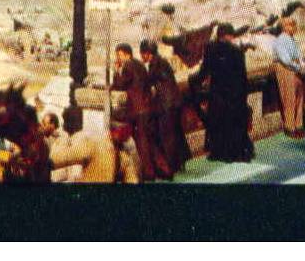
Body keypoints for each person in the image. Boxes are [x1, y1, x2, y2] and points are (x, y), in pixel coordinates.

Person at [193, 24, 253, 163]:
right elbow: (243, 77)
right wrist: (244, 96)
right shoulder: (237, 52)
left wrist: (194, 80)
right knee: (234, 124)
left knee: (218, 124)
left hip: (217, 93)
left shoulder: (210, 49)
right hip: (235, 94)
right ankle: (236, 154)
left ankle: (218, 152)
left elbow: (204, 71)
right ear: (229, 36)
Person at [108, 42, 156, 182]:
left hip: (136, 109)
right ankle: (150, 171)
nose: (118, 58)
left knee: (139, 141)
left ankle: (146, 173)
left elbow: (120, 84)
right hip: (146, 107)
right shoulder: (140, 64)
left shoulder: (128, 65)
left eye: (119, 55)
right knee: (146, 140)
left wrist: (116, 71)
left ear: (126, 54)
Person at [141, 40, 187, 175]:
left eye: (143, 53)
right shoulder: (161, 61)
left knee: (167, 135)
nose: (142, 56)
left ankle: (171, 166)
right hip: (174, 102)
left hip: (166, 104)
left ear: (148, 53)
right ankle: (180, 163)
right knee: (176, 134)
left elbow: (148, 80)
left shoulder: (156, 64)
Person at [271, 14, 305, 138]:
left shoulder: (292, 39)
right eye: (291, 25)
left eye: (294, 24)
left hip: (295, 68)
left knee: (299, 97)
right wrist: (299, 67)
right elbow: (285, 60)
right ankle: (290, 127)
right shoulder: (280, 40)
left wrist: (302, 64)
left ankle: (299, 126)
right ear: (284, 27)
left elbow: (298, 54)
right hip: (286, 69)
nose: (294, 27)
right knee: (289, 98)